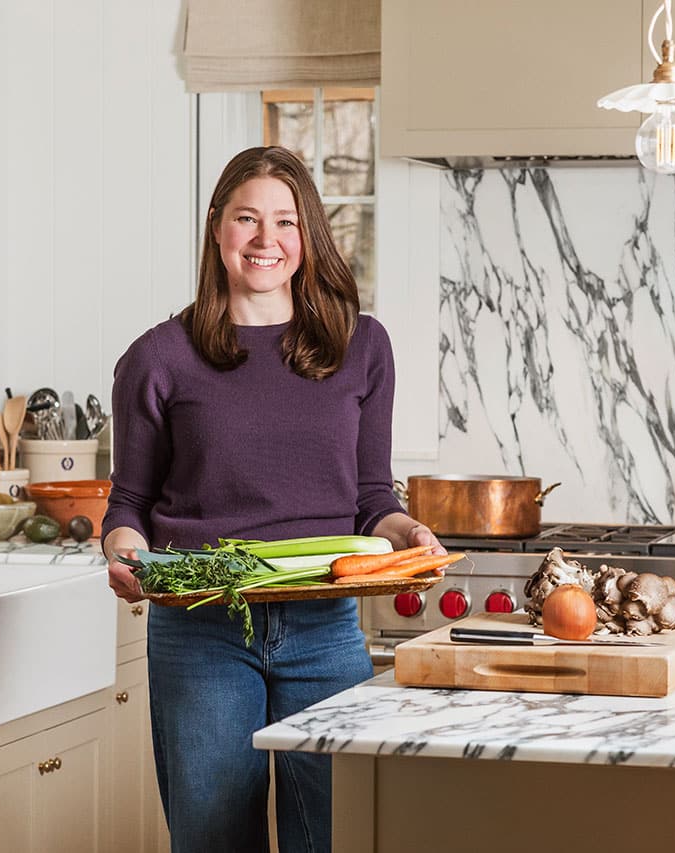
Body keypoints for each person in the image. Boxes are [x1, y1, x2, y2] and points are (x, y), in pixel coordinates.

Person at [100, 145, 444, 853]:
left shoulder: (361, 346)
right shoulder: (158, 358)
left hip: (324, 628)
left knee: (332, 835)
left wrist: (408, 532)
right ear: (217, 229)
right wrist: (125, 552)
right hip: (201, 629)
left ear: (308, 235)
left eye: (285, 222)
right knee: (216, 841)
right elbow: (128, 501)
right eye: (247, 218)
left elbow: (372, 496)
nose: (266, 240)